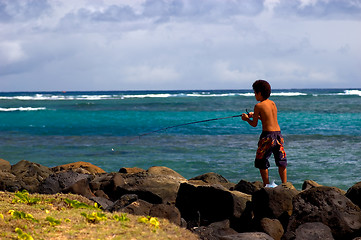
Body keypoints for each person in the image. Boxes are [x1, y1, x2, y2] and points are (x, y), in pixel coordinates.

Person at [241, 80, 287, 187]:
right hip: (278, 135)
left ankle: (266, 185)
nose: (254, 95)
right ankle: (285, 184)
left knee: (261, 160)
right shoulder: (272, 103)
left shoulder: (258, 106)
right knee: (281, 160)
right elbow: (268, 119)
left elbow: (254, 124)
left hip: (267, 136)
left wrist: (246, 119)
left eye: (255, 93)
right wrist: (255, 115)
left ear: (259, 93)